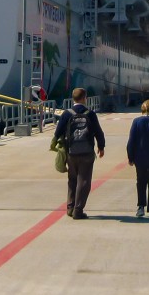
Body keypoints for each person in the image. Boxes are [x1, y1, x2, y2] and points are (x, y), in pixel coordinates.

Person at [53, 87, 105, 218]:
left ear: (73, 98)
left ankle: (70, 208)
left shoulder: (67, 113)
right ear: (84, 98)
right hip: (87, 152)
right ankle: (78, 210)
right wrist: (101, 146)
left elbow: (57, 132)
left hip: (71, 152)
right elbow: (98, 132)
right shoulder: (90, 113)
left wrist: (56, 145)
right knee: (84, 181)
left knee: (72, 180)